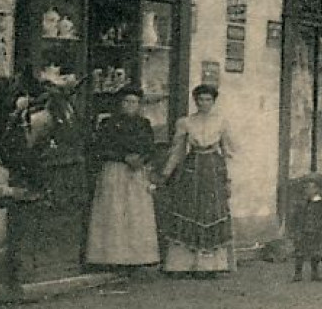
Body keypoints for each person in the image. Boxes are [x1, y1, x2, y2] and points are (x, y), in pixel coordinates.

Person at [161, 84, 234, 275]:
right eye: (201, 100)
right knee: (190, 210)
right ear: (196, 101)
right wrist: (166, 173)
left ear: (213, 101)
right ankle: (183, 264)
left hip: (213, 169)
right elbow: (177, 150)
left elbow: (228, 152)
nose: (204, 103)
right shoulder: (185, 122)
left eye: (208, 100)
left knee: (212, 211)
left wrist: (229, 179)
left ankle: (211, 266)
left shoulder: (221, 122)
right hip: (192, 169)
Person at [85, 84, 160, 267]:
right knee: (114, 211)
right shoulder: (108, 124)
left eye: (134, 102)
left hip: (136, 173)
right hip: (115, 171)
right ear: (120, 104)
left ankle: (138, 257)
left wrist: (142, 159)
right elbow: (99, 149)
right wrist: (123, 157)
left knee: (135, 213)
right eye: (126, 101)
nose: (130, 105)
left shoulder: (144, 124)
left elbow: (151, 147)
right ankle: (110, 257)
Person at [289, 176, 322, 282]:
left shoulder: (320, 203)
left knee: (316, 252)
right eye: (307, 188)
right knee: (300, 252)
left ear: (316, 189)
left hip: (316, 229)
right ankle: (298, 273)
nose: (309, 190)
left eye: (312, 188)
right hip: (302, 230)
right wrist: (293, 229)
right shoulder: (300, 204)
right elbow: (295, 217)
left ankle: (315, 273)